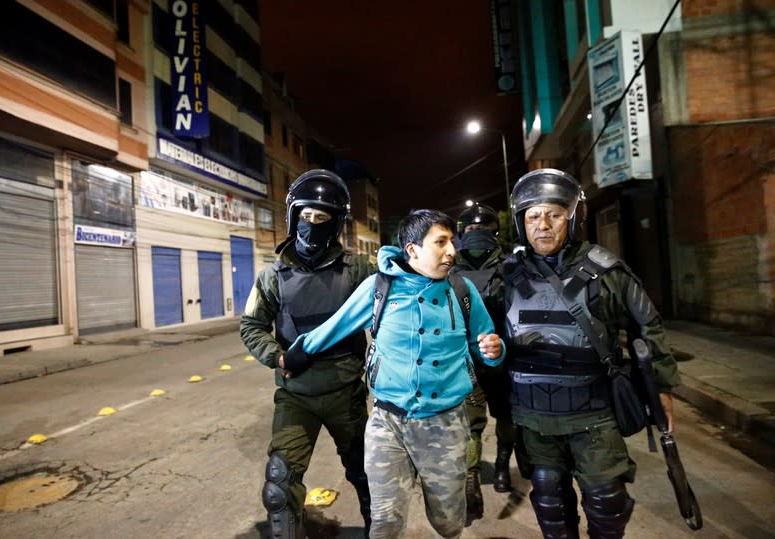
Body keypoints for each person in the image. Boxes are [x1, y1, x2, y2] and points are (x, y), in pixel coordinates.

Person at [283, 209, 505, 539]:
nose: (452, 251)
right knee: (385, 522)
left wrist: (494, 351)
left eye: (452, 242)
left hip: (445, 425)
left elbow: (486, 342)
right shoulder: (380, 287)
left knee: (448, 522)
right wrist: (297, 353)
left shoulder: (461, 290)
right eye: (440, 242)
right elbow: (336, 326)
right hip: (388, 423)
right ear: (413, 249)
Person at [502, 168, 681, 538]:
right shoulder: (505, 275)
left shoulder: (606, 271)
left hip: (594, 415)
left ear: (572, 217)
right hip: (534, 418)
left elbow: (648, 326)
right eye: (533, 216)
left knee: (607, 503)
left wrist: (661, 388)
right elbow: (474, 325)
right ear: (522, 223)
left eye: (554, 214)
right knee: (550, 503)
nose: (543, 225)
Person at [238, 169, 374, 539]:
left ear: (336, 224)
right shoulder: (272, 276)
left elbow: (393, 312)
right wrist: (279, 358)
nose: (312, 225)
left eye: (322, 218)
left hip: (346, 393)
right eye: (306, 216)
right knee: (279, 486)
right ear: (293, 216)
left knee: (369, 477)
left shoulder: (359, 271)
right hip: (296, 395)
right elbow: (251, 326)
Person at [450, 203, 517, 522]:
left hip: (503, 356)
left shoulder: (511, 266)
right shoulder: (450, 267)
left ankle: (502, 465)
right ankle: (473, 476)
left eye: (482, 230)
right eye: (470, 230)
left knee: (505, 417)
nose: (475, 235)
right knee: (471, 422)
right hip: (467, 359)